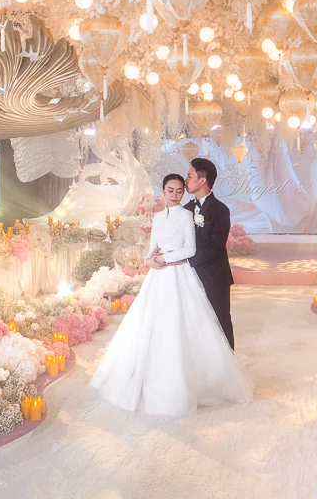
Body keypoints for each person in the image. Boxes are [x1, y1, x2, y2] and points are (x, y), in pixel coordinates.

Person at [90, 172, 252, 416]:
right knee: (150, 323)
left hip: (179, 274)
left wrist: (165, 259)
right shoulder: (157, 217)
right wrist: (149, 260)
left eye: (179, 191)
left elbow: (190, 248)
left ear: (183, 193)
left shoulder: (187, 216)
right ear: (163, 191)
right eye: (170, 190)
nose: (175, 195)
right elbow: (151, 248)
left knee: (182, 324)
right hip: (158, 276)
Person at [182, 157, 235, 349]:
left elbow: (216, 247)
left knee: (220, 319)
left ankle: (227, 361)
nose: (186, 180)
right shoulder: (186, 209)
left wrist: (187, 261)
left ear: (202, 180)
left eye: (190, 176)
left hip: (214, 276)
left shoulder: (220, 210)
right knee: (194, 322)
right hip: (189, 277)